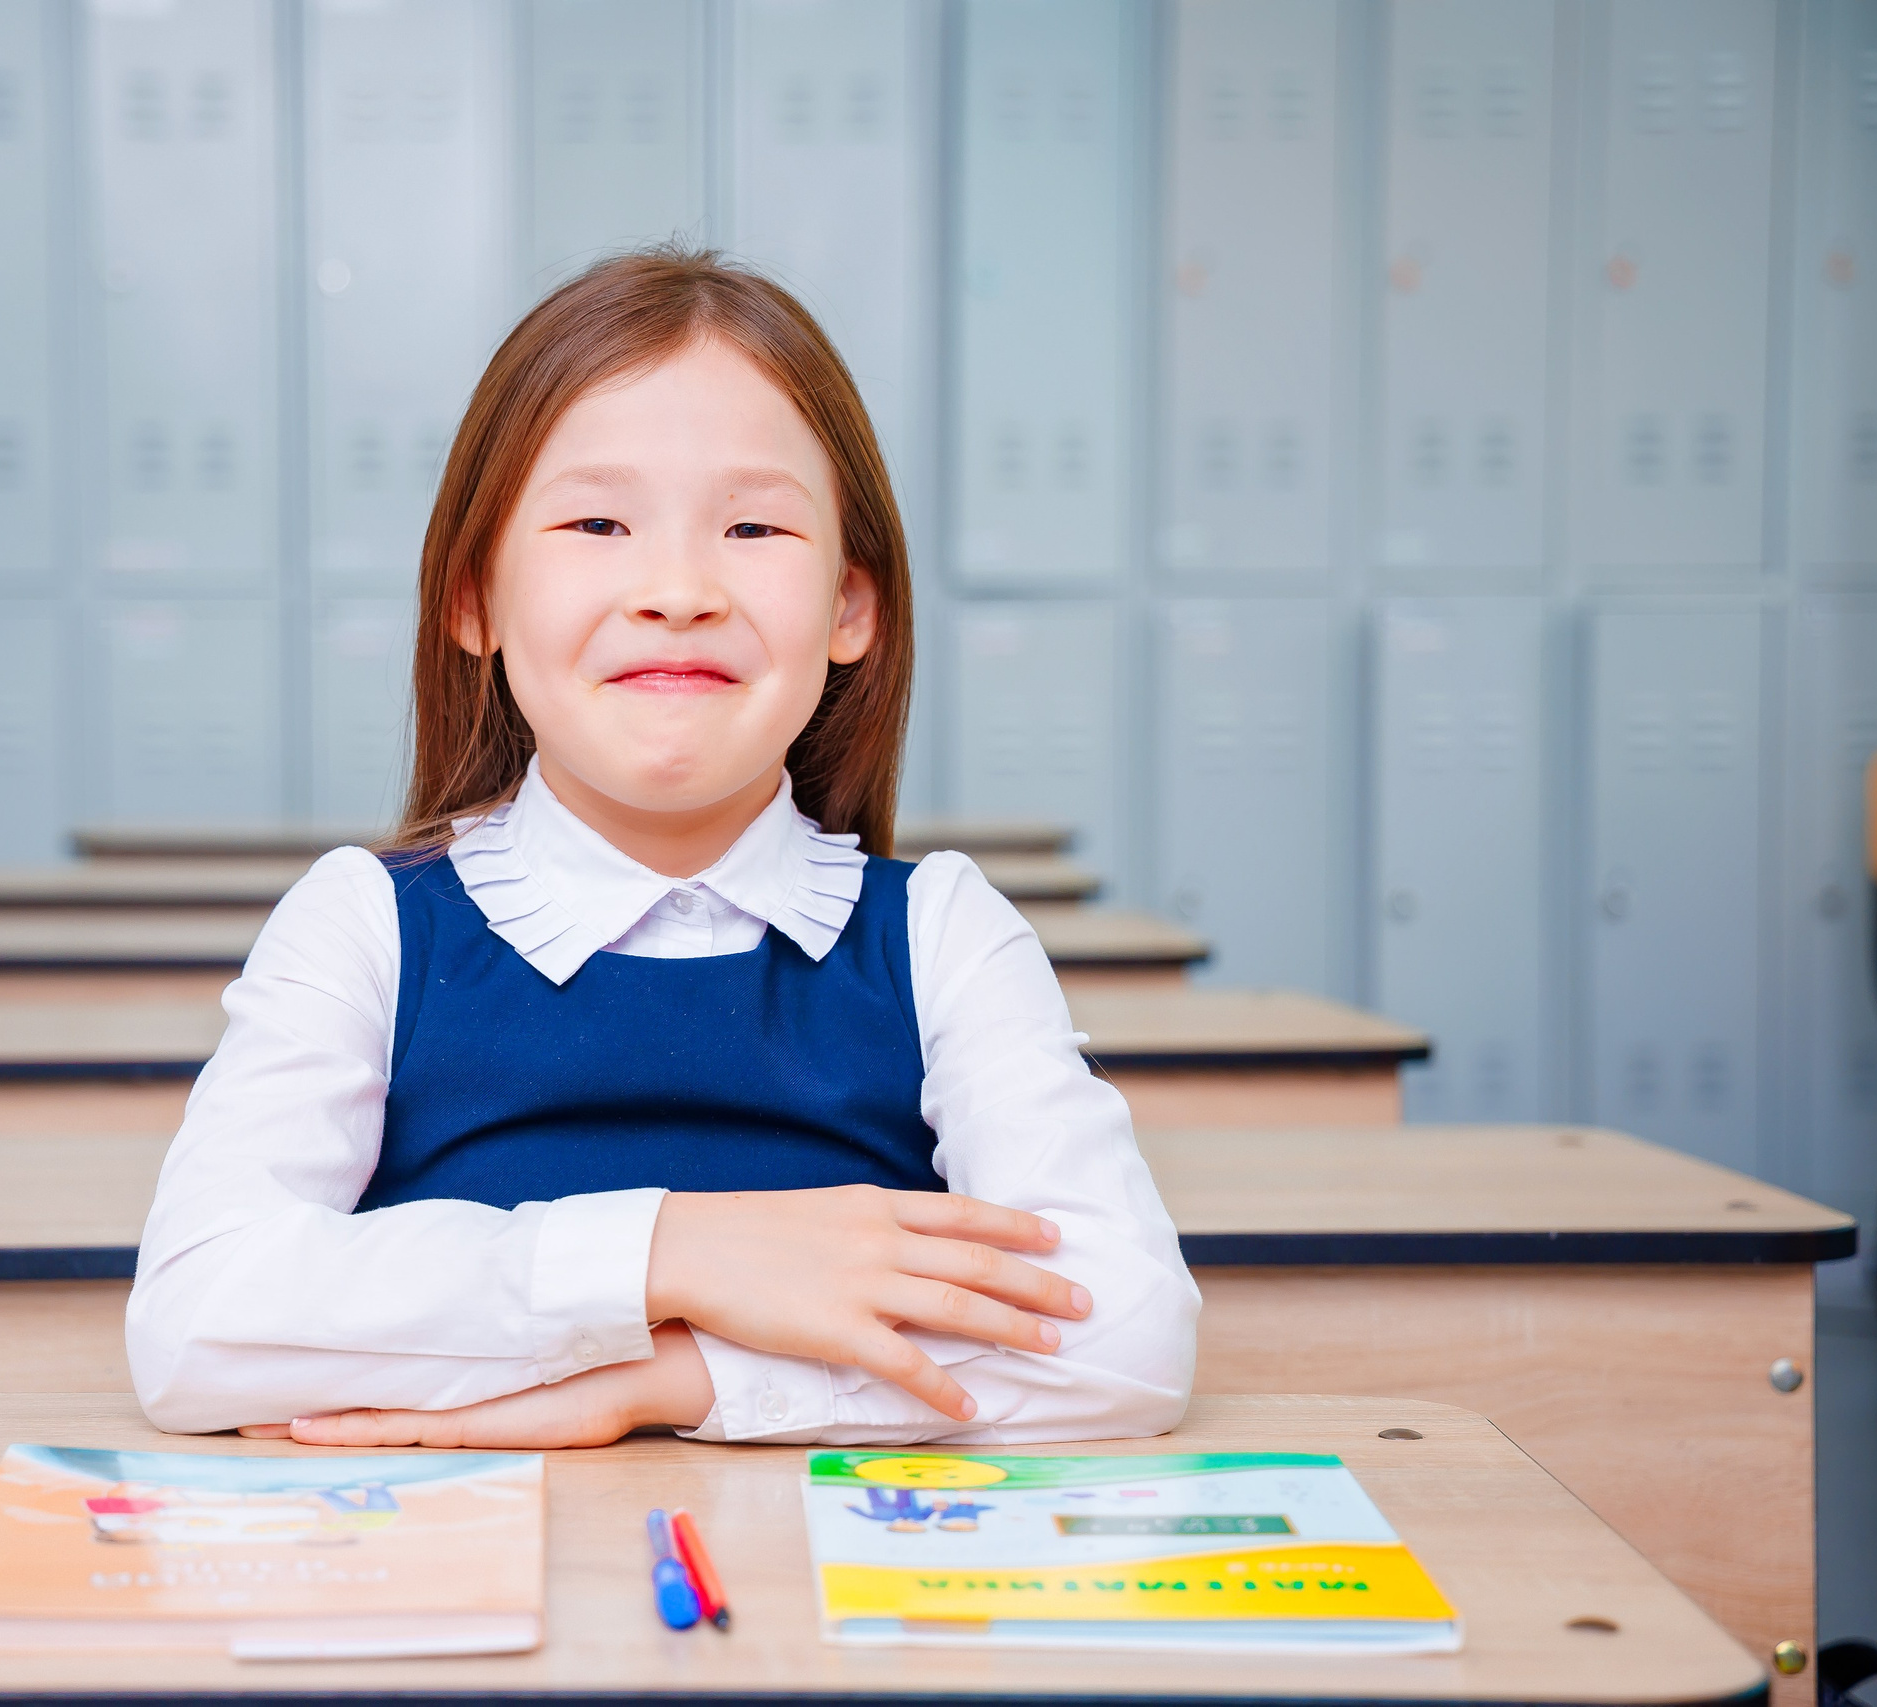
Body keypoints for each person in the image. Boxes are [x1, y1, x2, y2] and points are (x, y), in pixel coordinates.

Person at [128, 246, 1198, 1448]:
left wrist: (673, 1380)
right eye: (597, 521)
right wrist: (667, 1251)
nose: (678, 588)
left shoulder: (941, 934)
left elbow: (1125, 1335)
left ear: (851, 609)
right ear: (473, 598)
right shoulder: (366, 923)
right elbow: (195, 1326)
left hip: (819, 1610)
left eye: (751, 526)